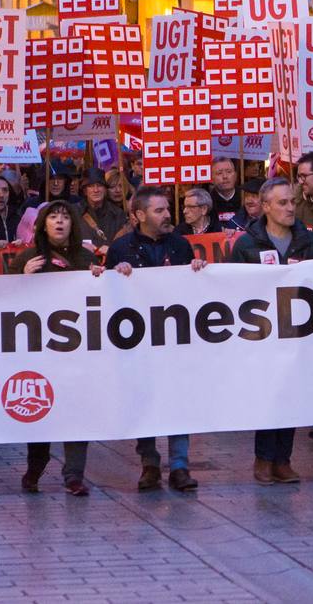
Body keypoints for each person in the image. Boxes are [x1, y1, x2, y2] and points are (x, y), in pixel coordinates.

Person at [106, 187, 206, 492]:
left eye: (167, 210)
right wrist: (115, 273)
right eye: (159, 211)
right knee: (144, 401)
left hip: (173, 338)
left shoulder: (180, 246)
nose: (168, 216)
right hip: (138, 341)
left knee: (177, 399)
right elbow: (109, 293)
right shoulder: (121, 248)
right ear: (139, 215)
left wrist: (197, 272)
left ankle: (179, 465)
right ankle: (149, 464)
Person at [229, 176, 313, 485]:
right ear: (266, 206)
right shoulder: (247, 244)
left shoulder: (309, 241)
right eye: (282, 203)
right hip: (263, 334)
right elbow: (232, 287)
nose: (289, 208)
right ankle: (263, 458)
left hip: (299, 333)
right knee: (268, 395)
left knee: (292, 395)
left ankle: (283, 459)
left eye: (292, 202)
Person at [12, 202, 98, 496]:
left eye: (65, 218)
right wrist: (21, 276)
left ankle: (74, 474)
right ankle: (35, 468)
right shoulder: (27, 258)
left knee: (78, 411)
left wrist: (102, 277)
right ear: (43, 224)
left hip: (78, 351)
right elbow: (4, 303)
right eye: (53, 217)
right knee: (40, 411)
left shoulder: (85, 258)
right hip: (40, 350)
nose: (59, 222)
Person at [77, 169, 129, 252]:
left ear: (105, 189)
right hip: (84, 262)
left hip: (111, 262)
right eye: (91, 186)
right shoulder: (74, 212)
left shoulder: (119, 214)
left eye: (99, 185)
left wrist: (111, 249)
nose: (96, 190)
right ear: (85, 191)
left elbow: (126, 244)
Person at [209, 157, 247, 230]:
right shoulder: (207, 203)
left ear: (235, 175)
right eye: (219, 173)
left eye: (229, 172)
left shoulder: (245, 197)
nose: (225, 176)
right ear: (211, 179)